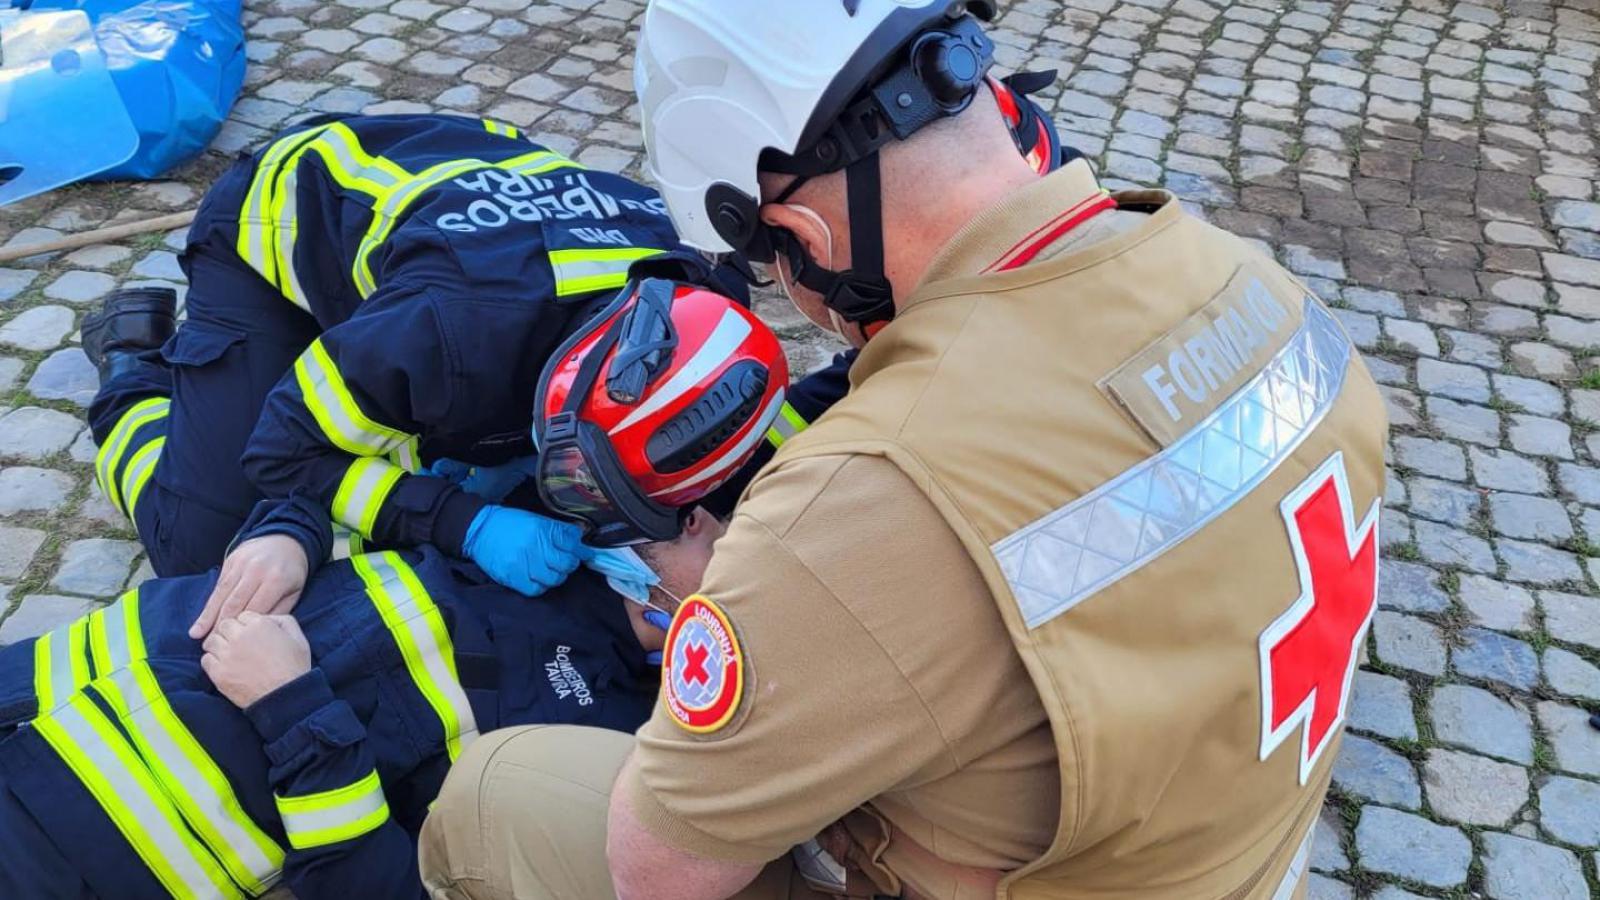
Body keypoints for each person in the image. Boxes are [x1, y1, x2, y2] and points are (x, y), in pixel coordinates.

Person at [420, 2, 1389, 899]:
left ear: (802, 234)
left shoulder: (867, 496)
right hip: (1240, 854)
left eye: (770, 264)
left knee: (499, 796)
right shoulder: (1252, 282)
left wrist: (743, 599)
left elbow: (660, 874)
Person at [79, 113, 779, 606]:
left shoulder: (708, 300)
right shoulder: (441, 336)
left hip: (460, 177)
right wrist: (462, 524)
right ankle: (130, 364)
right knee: (205, 546)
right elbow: (283, 452)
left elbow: (767, 445)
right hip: (281, 220)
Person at [0, 488, 726, 900]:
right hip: (24, 680)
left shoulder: (608, 738)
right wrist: (286, 532)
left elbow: (371, 888)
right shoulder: (523, 525)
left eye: (728, 551)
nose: (699, 519)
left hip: (68, 844)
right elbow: (319, 478)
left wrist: (291, 708)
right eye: (710, 513)